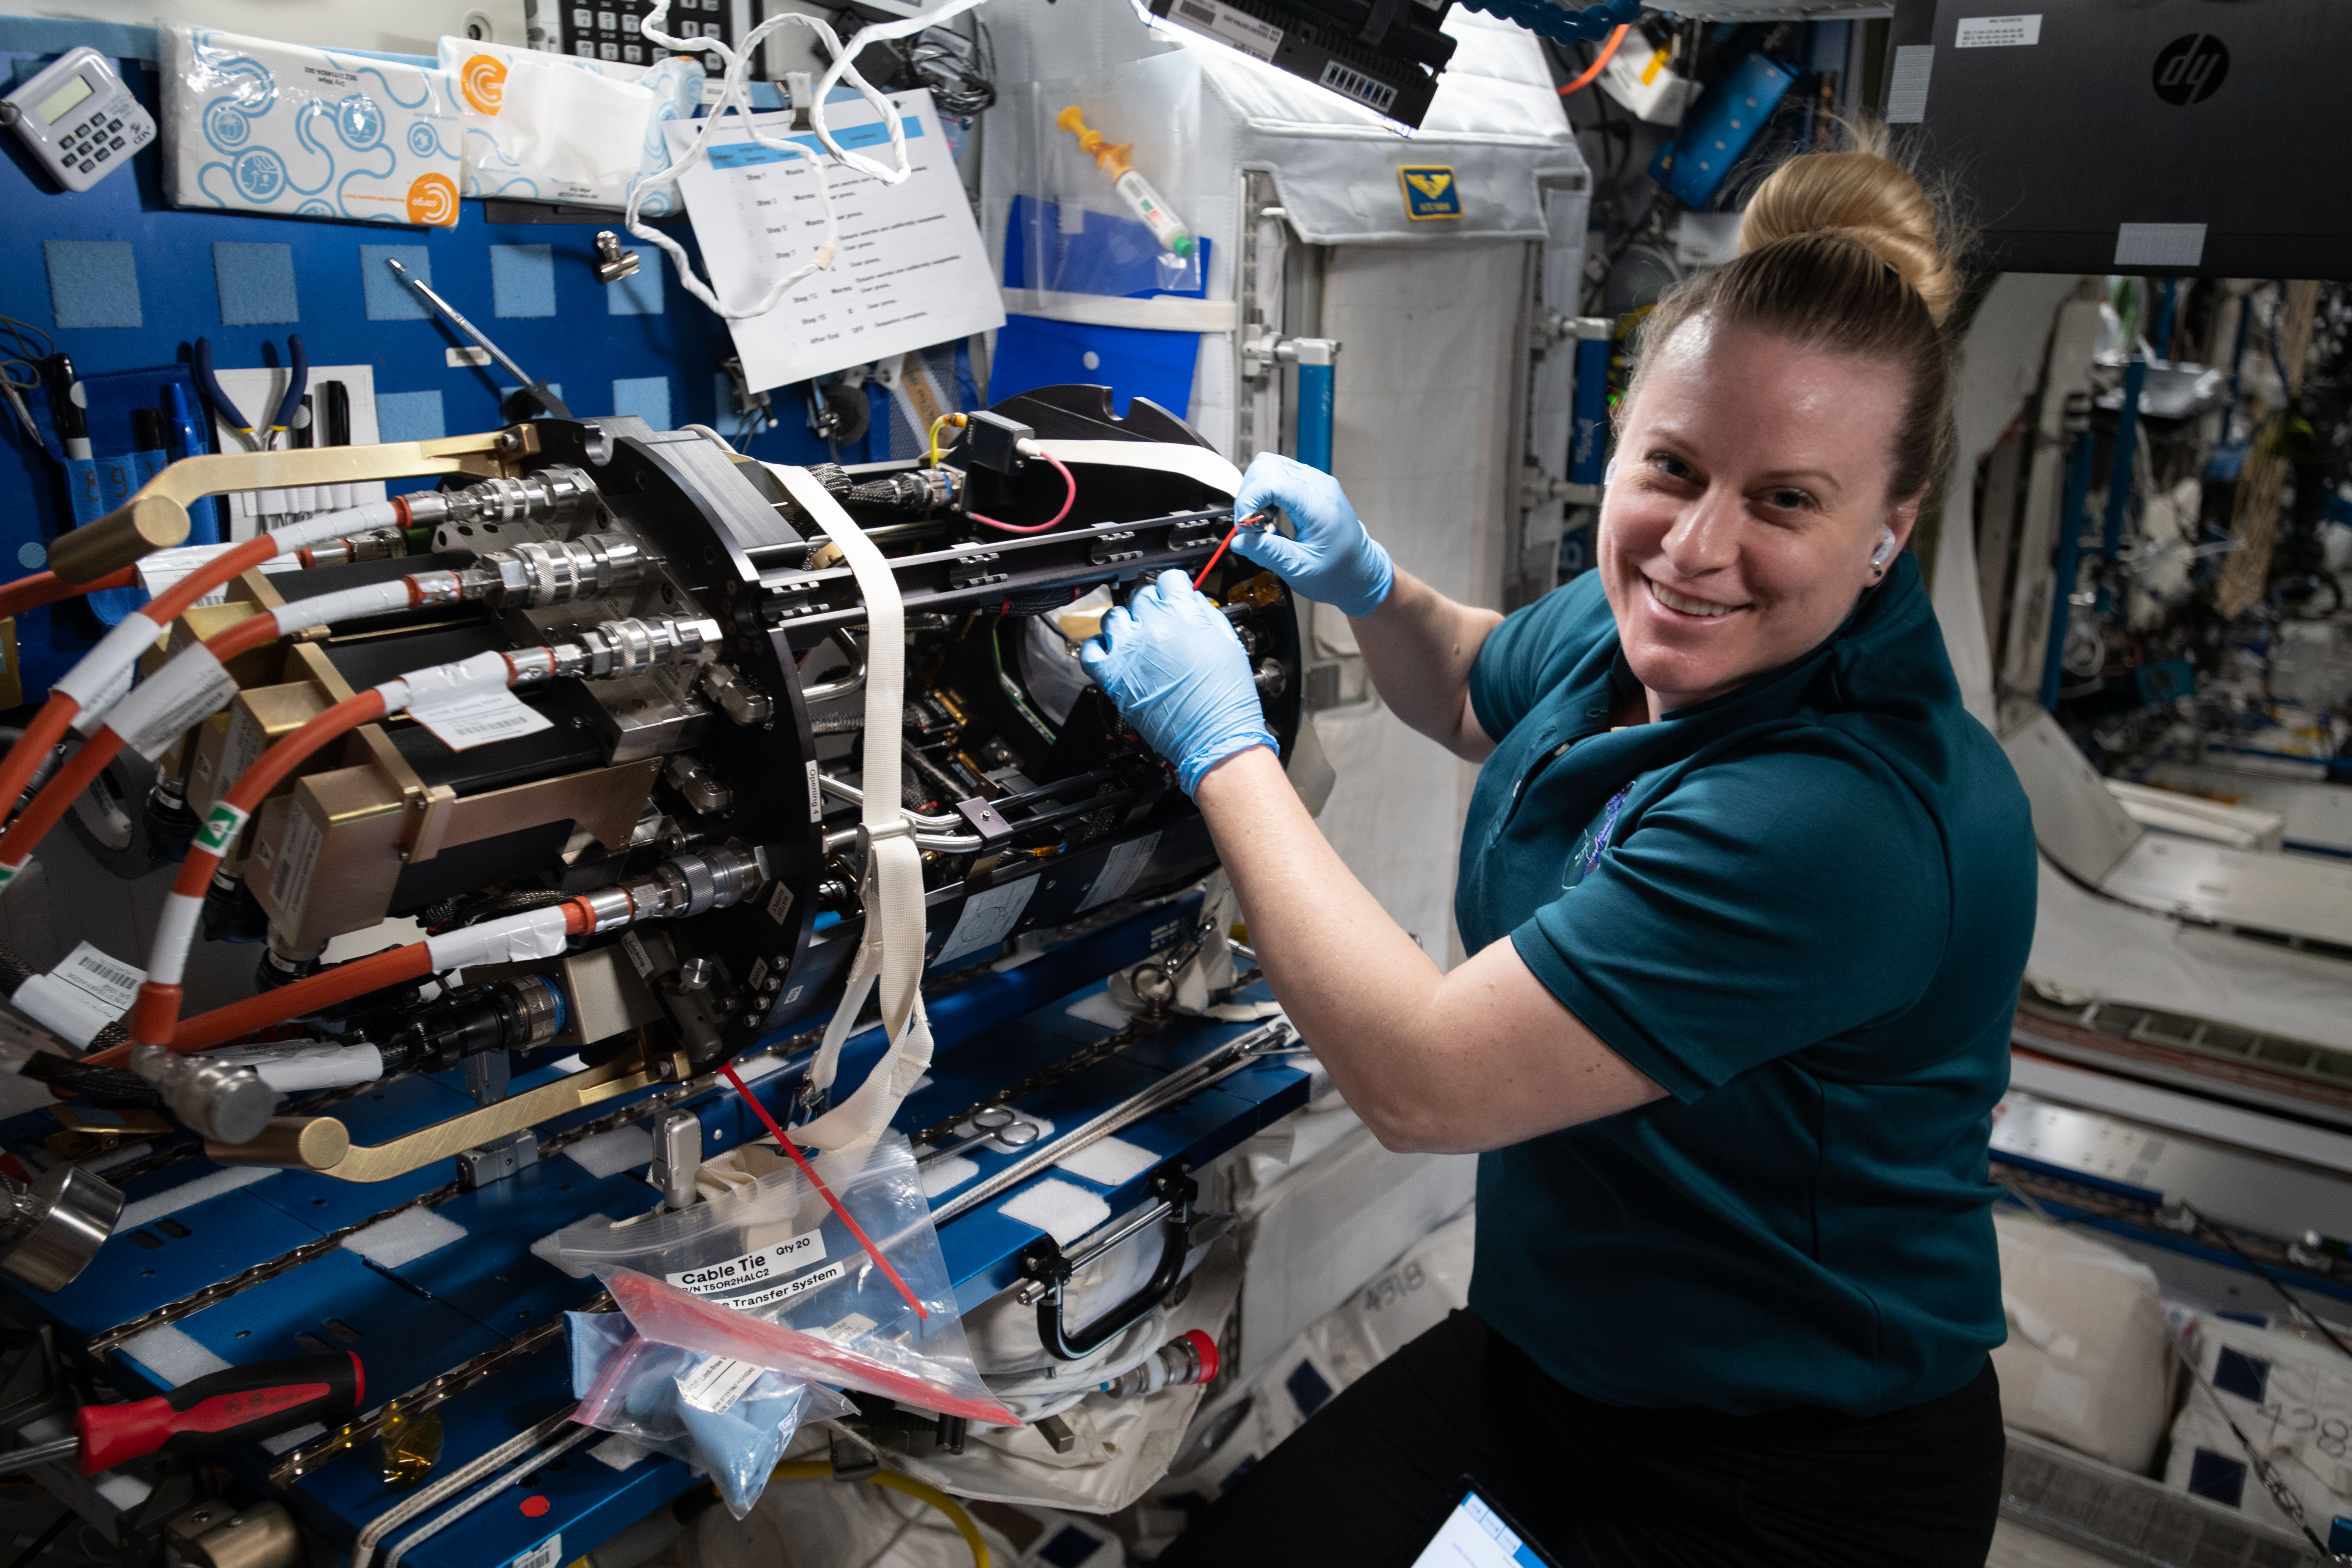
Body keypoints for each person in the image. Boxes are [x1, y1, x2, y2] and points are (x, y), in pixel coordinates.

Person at [1079, 136, 2036, 1567]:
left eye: (1786, 499)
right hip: (1553, 1365)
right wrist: (1370, 583)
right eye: (1673, 467)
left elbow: (1424, 1081)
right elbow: (1478, 685)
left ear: (1889, 531)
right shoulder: (1647, 624)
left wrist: (1222, 746)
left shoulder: (1846, 819)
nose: (1696, 547)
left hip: (1786, 1478)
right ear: (1622, 442)